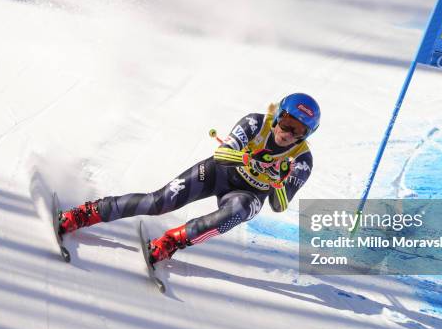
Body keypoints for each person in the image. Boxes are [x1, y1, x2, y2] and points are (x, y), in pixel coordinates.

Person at [58, 93, 320, 264]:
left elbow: (279, 205)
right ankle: (85, 213)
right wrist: (248, 159)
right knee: (158, 203)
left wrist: (278, 182)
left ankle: (172, 242)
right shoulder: (255, 123)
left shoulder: (302, 159)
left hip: (248, 195)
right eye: (286, 123)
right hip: (220, 173)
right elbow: (221, 154)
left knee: (238, 210)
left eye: (298, 131)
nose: (288, 133)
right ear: (277, 116)